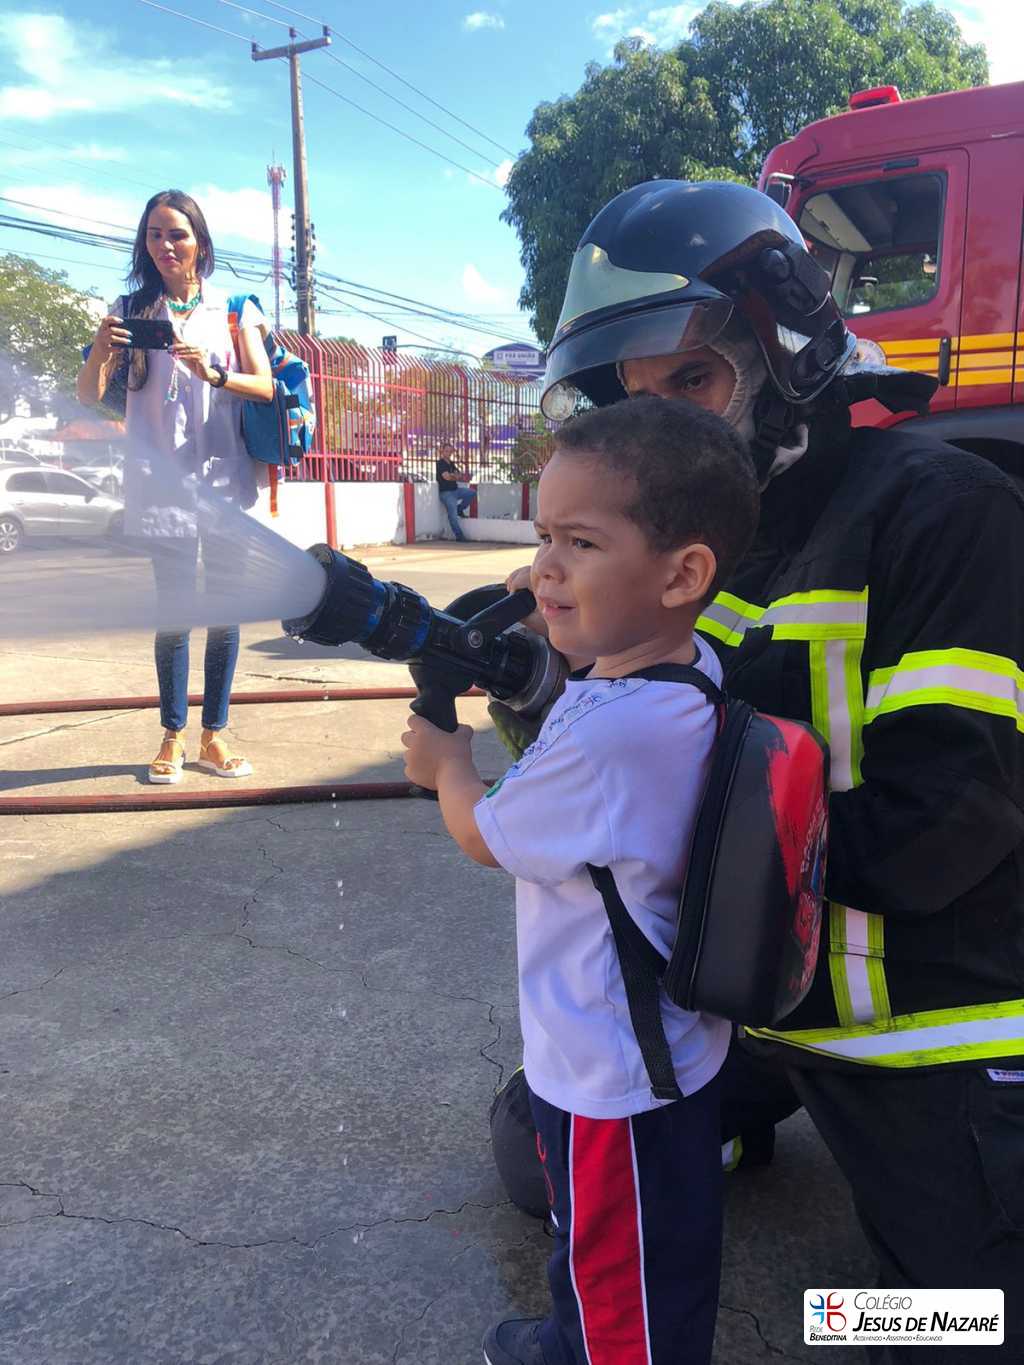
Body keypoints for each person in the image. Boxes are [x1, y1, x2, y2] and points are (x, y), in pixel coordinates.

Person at [501, 179, 1024, 1364]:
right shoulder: (696, 546)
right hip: (741, 1004)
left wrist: (689, 834)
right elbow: (601, 780)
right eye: (635, 396)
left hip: (916, 1026)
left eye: (691, 380)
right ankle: (733, 1138)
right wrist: (541, 683)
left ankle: (819, 1315)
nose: (664, 427)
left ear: (785, 350)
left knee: (952, 1329)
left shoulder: (949, 514)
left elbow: (945, 825)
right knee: (536, 1156)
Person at [403, 396, 760, 1365]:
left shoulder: (609, 736)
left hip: (612, 1073)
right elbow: (587, 693)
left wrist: (446, 766)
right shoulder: (681, 668)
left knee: (626, 1276)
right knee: (604, 1242)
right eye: (542, 537)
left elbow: (484, 833)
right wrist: (563, 607)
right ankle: (572, 1338)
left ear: (682, 574)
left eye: (581, 543)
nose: (543, 570)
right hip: (648, 1044)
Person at [77, 189, 274, 784]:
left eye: (178, 234)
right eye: (155, 234)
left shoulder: (235, 309)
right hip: (160, 484)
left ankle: (214, 734)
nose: (166, 244)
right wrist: (101, 349)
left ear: (200, 243)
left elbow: (265, 386)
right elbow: (88, 395)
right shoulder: (131, 309)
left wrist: (211, 371)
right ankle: (172, 734)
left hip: (224, 481)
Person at [435, 442, 473, 541]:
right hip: (446, 493)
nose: (448, 453)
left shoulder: (451, 463)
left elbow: (459, 475)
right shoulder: (440, 463)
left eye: (450, 451)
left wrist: (454, 476)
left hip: (455, 490)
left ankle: (460, 509)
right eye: (446, 451)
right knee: (453, 515)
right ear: (442, 451)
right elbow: (446, 477)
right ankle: (459, 536)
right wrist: (454, 476)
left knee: (471, 493)